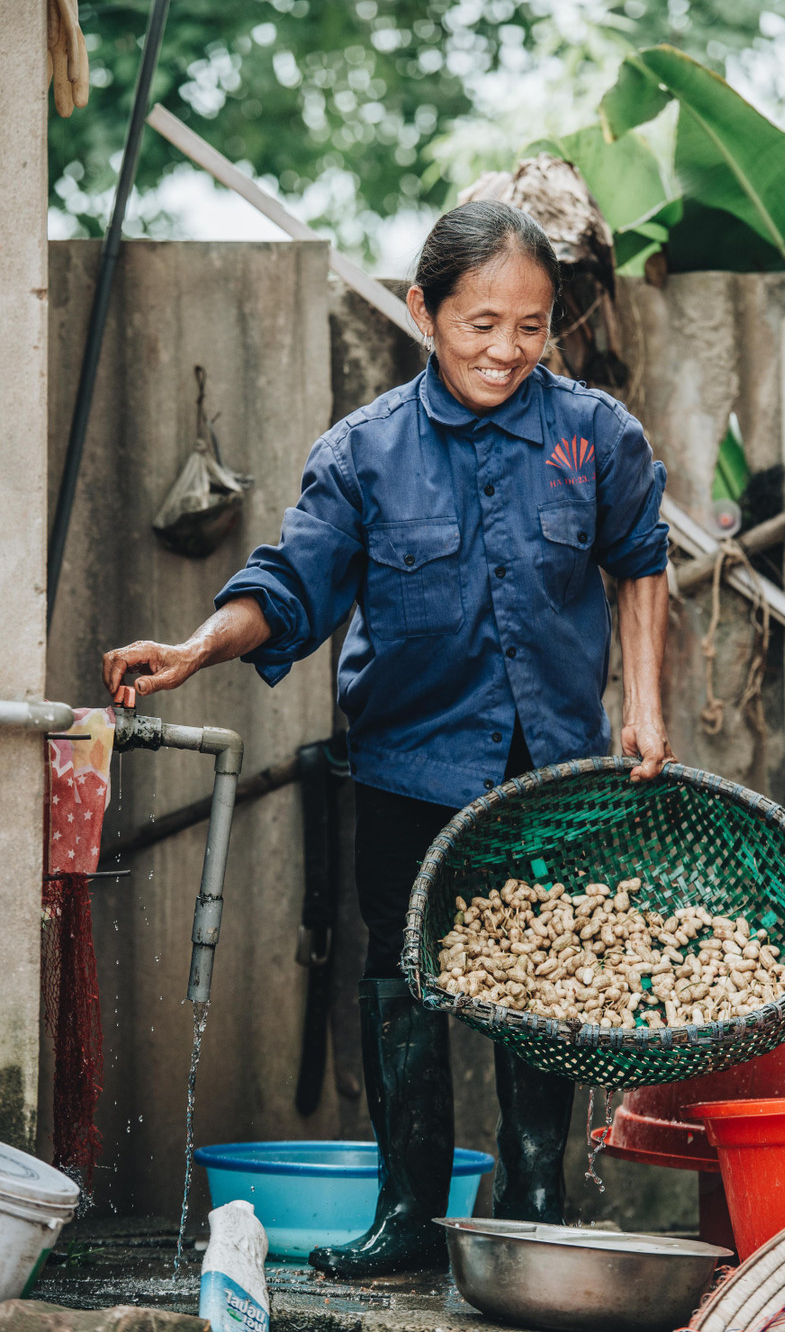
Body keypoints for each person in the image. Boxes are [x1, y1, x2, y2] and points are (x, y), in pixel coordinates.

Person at [102, 200, 674, 1279]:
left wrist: (641, 705)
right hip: (410, 765)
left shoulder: (598, 435)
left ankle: (536, 1197)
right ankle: (410, 1213)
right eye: (479, 323)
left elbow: (641, 558)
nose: (506, 349)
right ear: (424, 310)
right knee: (403, 977)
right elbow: (288, 586)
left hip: (548, 768)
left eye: (531, 326)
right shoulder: (363, 452)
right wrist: (193, 646)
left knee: (541, 979)